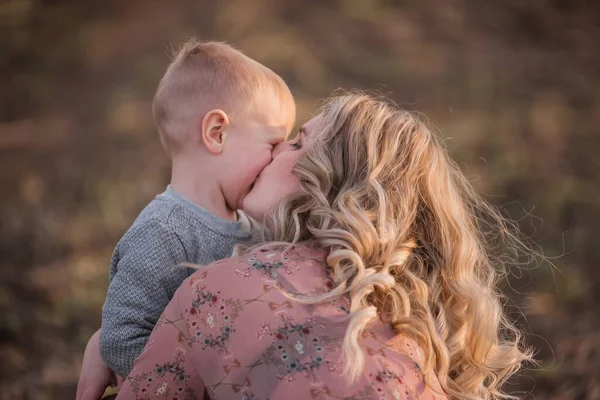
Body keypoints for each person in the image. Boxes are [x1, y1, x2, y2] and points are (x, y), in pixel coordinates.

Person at [113, 92, 532, 400]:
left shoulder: (217, 289)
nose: (274, 151)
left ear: (327, 179)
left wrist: (119, 345)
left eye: (297, 143)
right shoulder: (418, 325)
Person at [86, 37, 295, 394]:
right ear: (217, 133)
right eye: (273, 144)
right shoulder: (163, 233)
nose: (277, 159)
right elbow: (120, 339)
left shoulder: (254, 230)